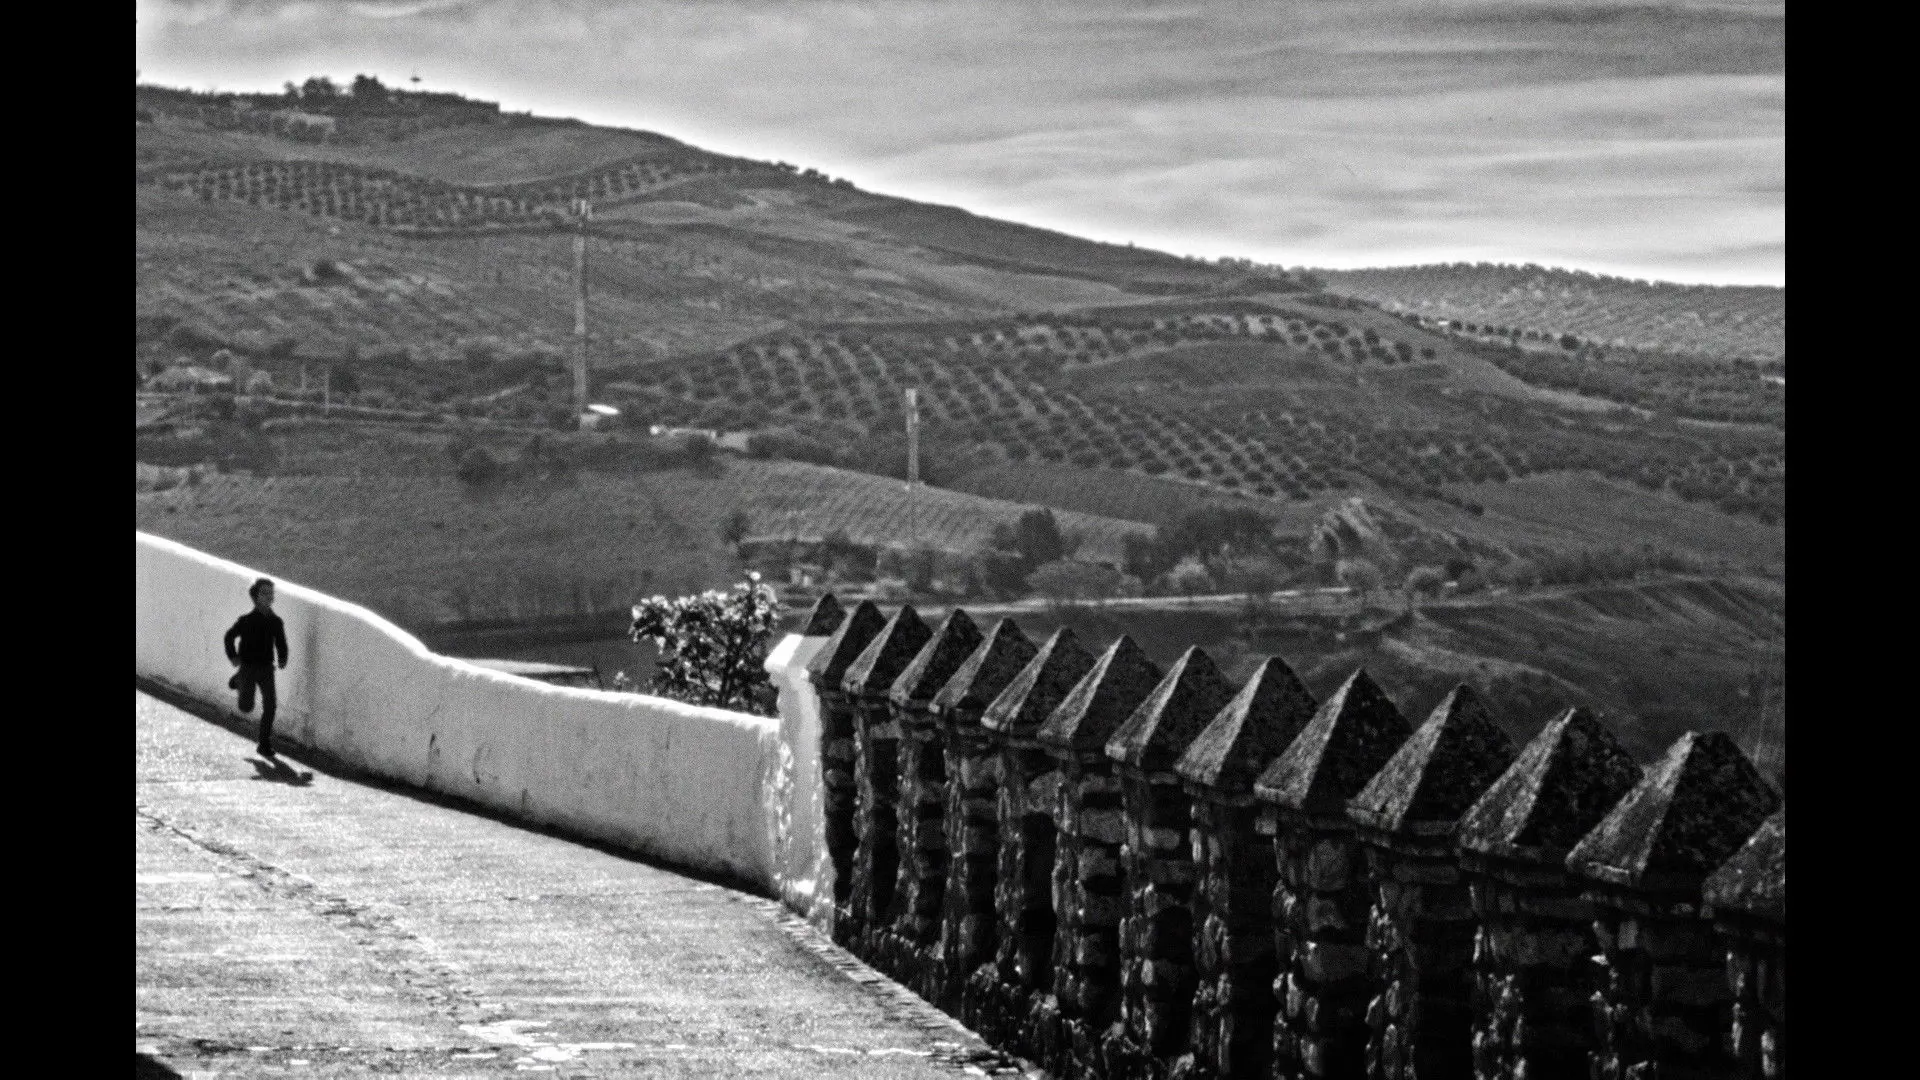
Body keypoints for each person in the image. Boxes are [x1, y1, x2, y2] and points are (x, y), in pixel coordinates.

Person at [224, 578, 289, 757]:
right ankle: (238, 680)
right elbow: (229, 636)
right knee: (246, 707)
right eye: (265, 593)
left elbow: (281, 642)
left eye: (271, 593)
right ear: (256, 596)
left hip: (267, 669)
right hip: (248, 668)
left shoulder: (276, 622)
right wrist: (233, 656)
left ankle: (264, 743)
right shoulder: (246, 621)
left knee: (270, 705)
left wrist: (283, 658)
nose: (269, 597)